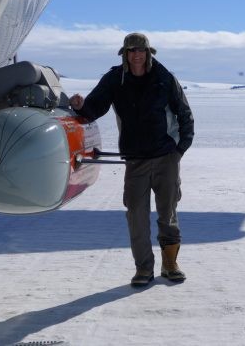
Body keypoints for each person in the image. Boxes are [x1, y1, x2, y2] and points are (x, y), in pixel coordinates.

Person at [69, 33, 194, 287]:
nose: (137, 54)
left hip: (165, 157)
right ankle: (143, 269)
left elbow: (184, 114)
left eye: (142, 50)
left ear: (149, 53)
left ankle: (170, 265)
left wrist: (179, 150)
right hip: (135, 160)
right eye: (132, 50)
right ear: (125, 54)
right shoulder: (115, 79)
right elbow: (95, 107)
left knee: (167, 213)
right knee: (136, 215)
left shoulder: (164, 78)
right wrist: (81, 107)